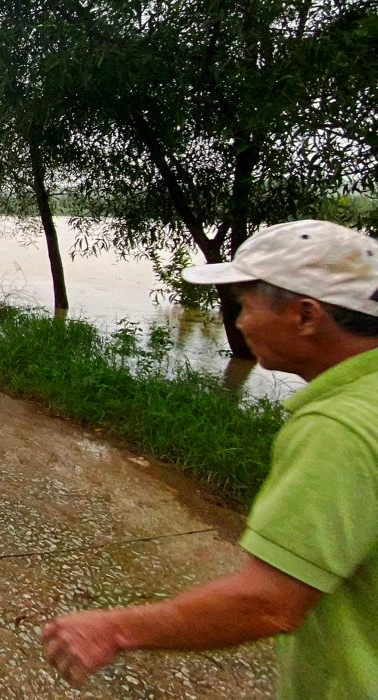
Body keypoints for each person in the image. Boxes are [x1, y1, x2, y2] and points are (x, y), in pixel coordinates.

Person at [41, 219, 378, 698]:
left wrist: (115, 629)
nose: (238, 323)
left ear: (306, 316)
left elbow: (269, 603)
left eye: (246, 306)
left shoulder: (339, 428)